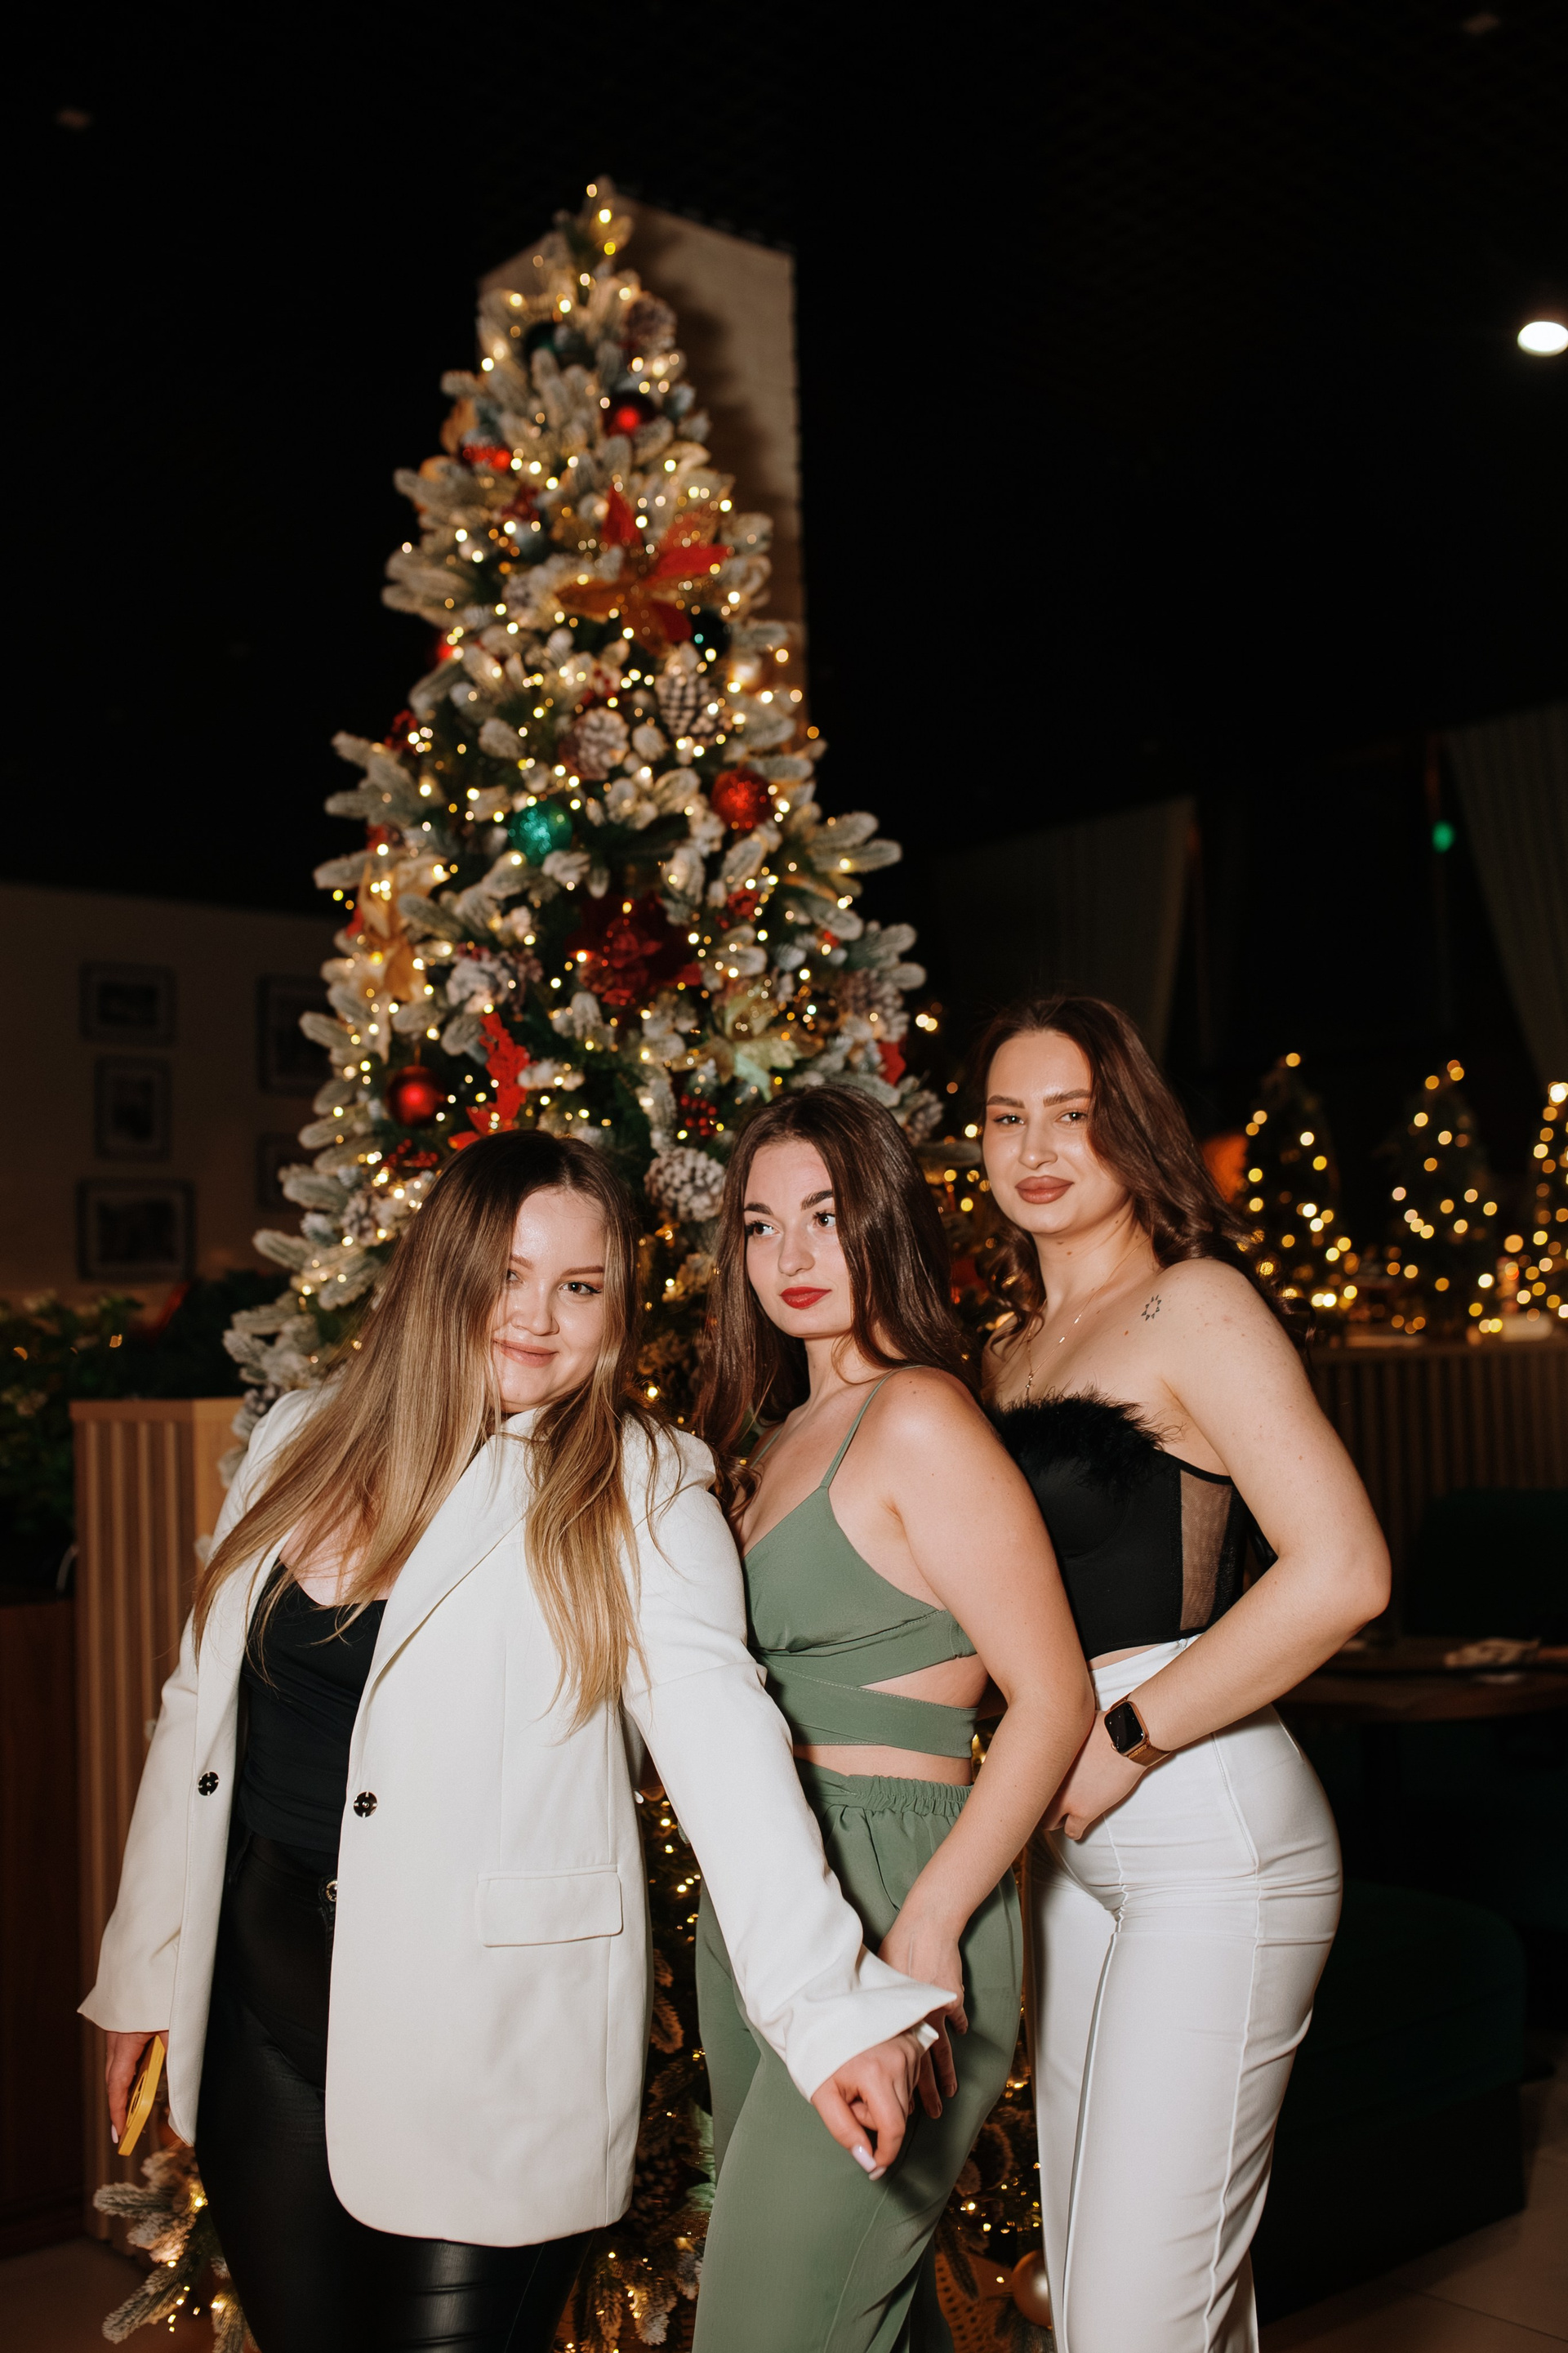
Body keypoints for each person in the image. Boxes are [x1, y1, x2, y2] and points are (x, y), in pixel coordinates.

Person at [81, 1130, 955, 2353]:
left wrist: (827, 2008)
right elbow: (196, 1709)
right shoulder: (297, 1438)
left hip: (490, 2045)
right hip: (262, 2025)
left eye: (579, 1286)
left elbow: (725, 1747)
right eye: (507, 1274)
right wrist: (147, 1963)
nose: (538, 1317)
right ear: (441, 1273)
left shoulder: (641, 1485)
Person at [976, 995, 1391, 2353]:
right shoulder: (1006, 1349)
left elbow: (1344, 1569)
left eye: (1073, 1114)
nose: (1037, 1147)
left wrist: (1131, 1731)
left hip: (1205, 1824)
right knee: (1101, 2296)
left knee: (1134, 2321)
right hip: (1070, 1846)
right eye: (1007, 1116)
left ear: (1134, 1129)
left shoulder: (1193, 1302)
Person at [691, 1088, 1094, 2353]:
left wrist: (928, 1920)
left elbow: (1055, 1696)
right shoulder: (766, 1445)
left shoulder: (919, 1414)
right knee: (847, 2321)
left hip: (900, 1875)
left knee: (761, 2331)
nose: (791, 1255)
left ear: (882, 1219)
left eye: (824, 1215)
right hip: (771, 1894)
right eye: (761, 1225)